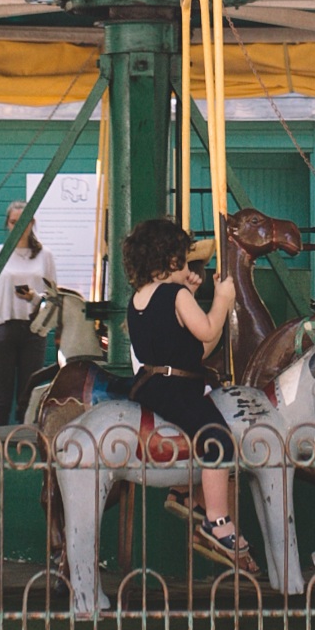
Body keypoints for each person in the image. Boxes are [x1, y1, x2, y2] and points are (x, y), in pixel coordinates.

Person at [123, 216, 253, 571]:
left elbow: (196, 349)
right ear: (170, 260)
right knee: (218, 437)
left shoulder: (138, 299)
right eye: (184, 258)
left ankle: (184, 490)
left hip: (150, 385)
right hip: (177, 387)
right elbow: (210, 329)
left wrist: (192, 297)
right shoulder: (175, 294)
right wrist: (223, 298)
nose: (189, 267)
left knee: (195, 426)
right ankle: (216, 521)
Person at [0, 203, 57, 425]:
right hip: (2, 329)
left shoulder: (45, 256)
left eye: (24, 222)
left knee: (28, 398)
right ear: (7, 223)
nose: (19, 227)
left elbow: (53, 298)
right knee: (1, 399)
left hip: (33, 331)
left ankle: (25, 451)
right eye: (14, 222)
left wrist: (33, 297)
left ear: (32, 224)